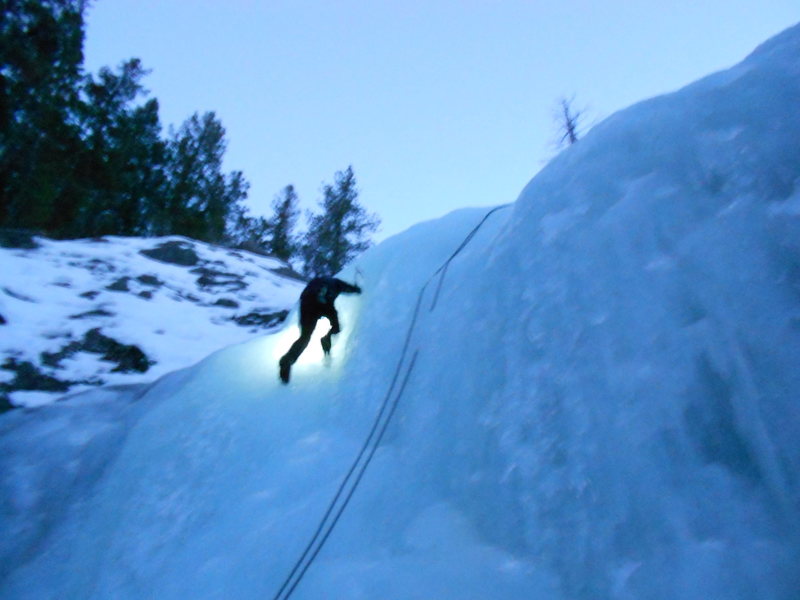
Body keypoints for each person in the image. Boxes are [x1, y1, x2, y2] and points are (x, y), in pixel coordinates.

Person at [279, 276, 362, 383]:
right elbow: (347, 288)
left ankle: (287, 360)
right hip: (324, 304)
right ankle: (326, 339)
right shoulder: (336, 283)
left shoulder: (319, 282)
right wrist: (357, 289)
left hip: (307, 303)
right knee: (336, 327)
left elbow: (307, 294)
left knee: (305, 337)